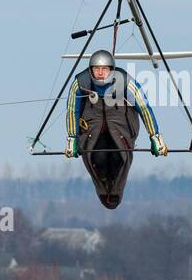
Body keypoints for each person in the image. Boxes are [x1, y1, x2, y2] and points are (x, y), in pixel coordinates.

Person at [65, 49, 166, 208]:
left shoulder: (125, 81)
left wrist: (155, 137)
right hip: (92, 127)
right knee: (98, 158)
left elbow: (144, 107)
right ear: (90, 70)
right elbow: (72, 110)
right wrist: (72, 138)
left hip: (120, 125)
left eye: (104, 69)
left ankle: (116, 190)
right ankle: (103, 188)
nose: (100, 73)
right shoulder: (81, 83)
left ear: (111, 70)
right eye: (96, 69)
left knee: (118, 158)